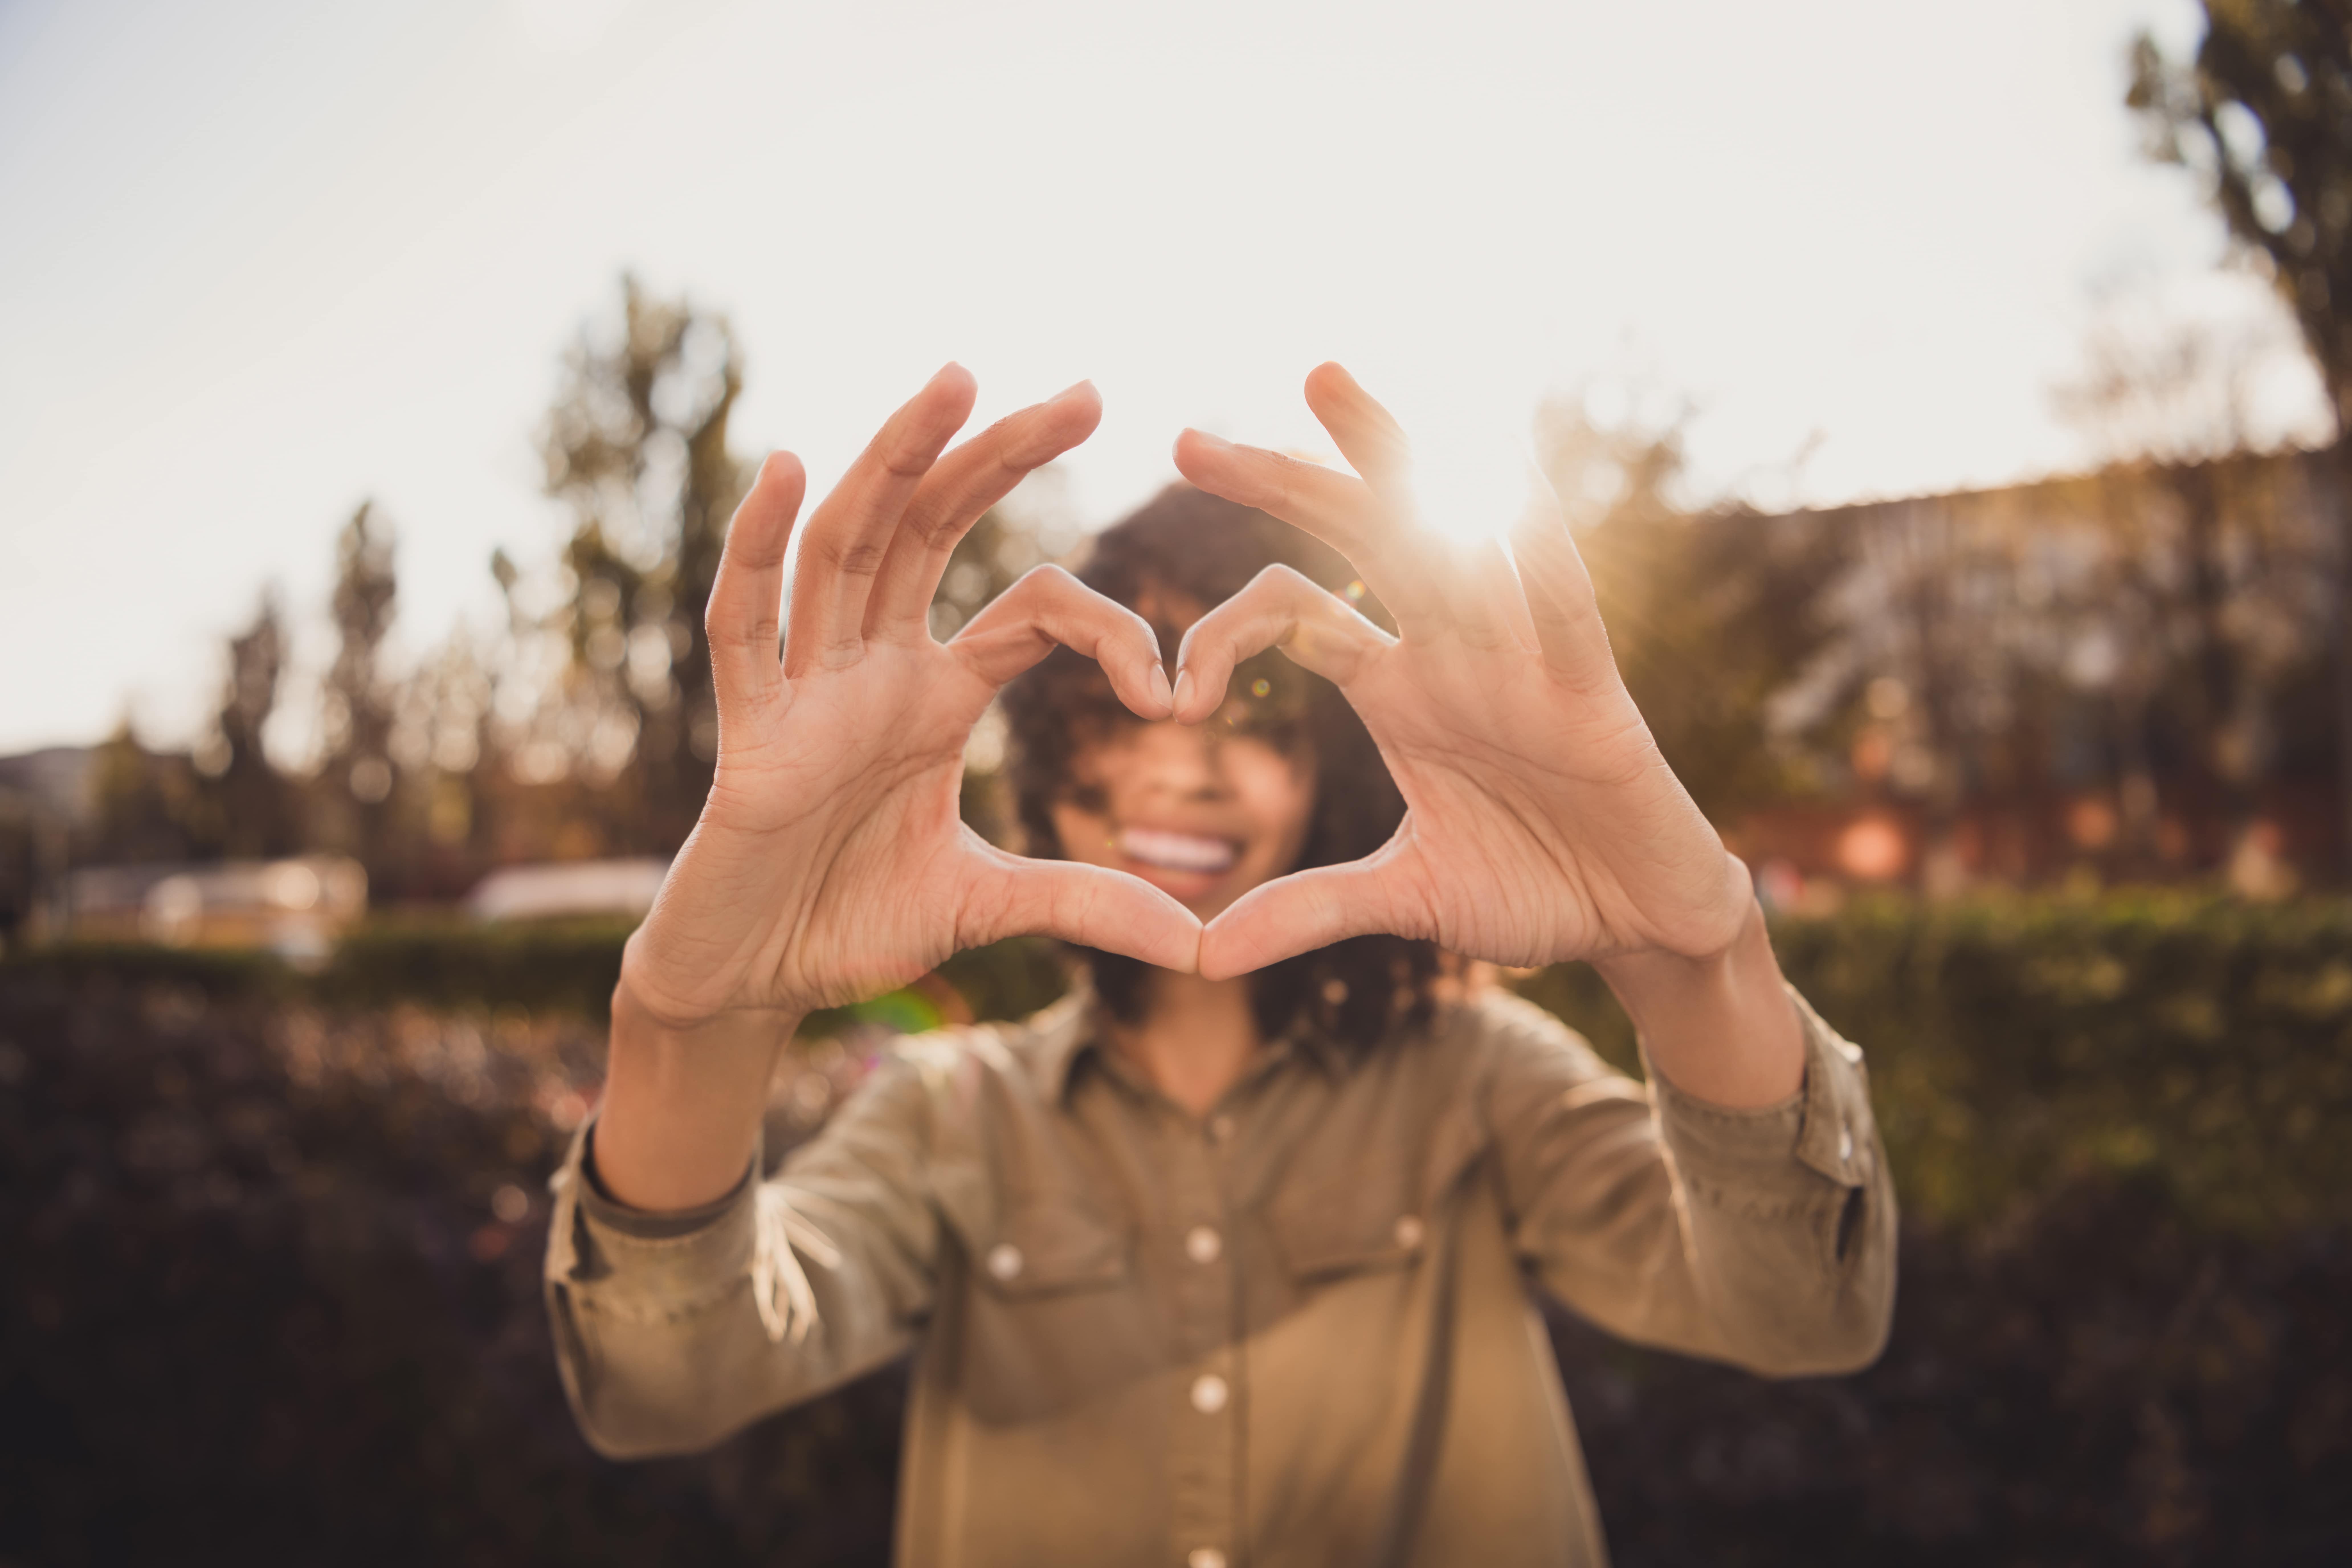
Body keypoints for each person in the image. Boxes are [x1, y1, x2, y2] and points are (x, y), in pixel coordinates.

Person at [543, 363, 1897, 1567]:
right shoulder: (947, 1112)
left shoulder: (1480, 1077)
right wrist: (690, 1024)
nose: (1179, 756)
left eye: (1252, 703)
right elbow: (665, 1385)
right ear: (1041, 766)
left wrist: (1696, 959)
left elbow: (1803, 1314)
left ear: (1334, 771)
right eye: (1107, 702)